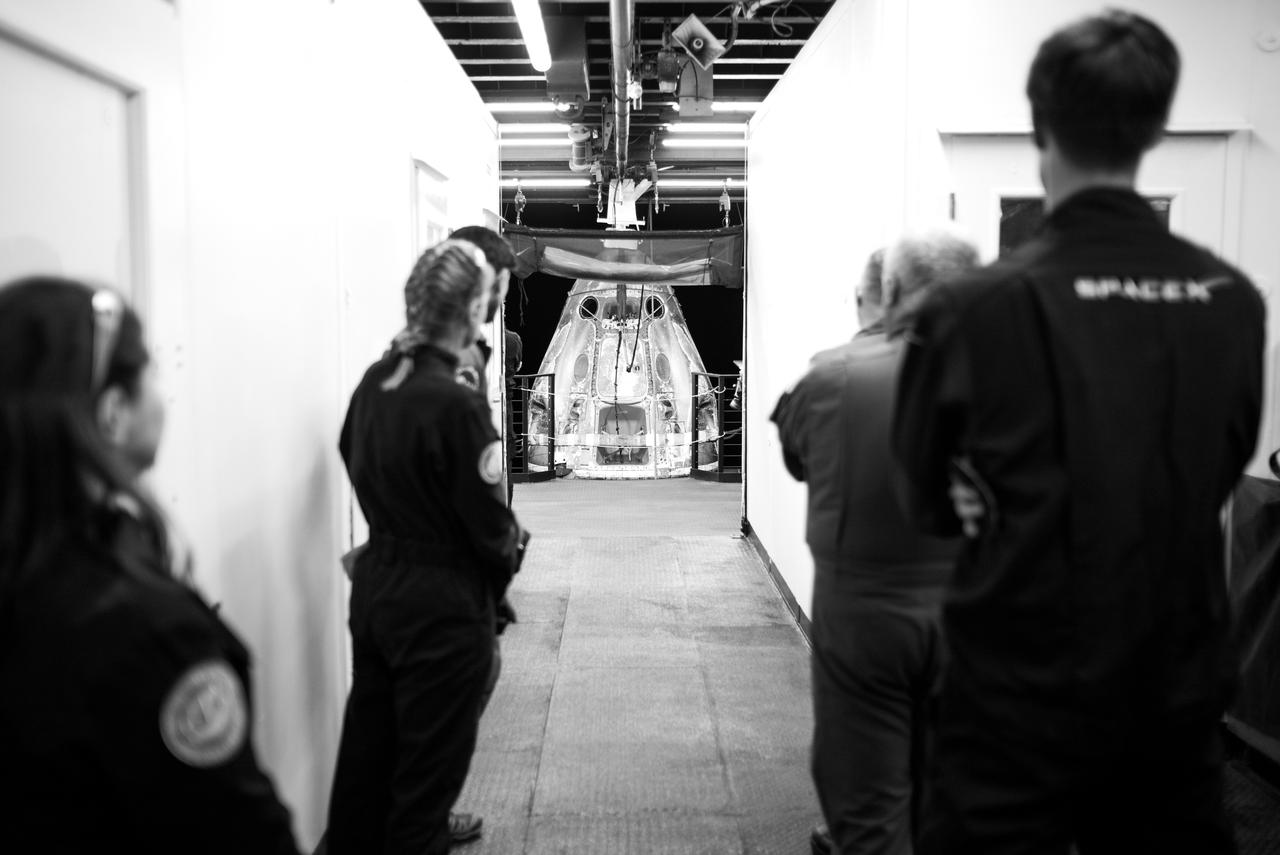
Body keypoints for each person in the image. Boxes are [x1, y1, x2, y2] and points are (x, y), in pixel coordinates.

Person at [892, 11, 1266, 854]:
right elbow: (1225, 462)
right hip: (1173, 693)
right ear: (1157, 126)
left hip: (1015, 694)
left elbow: (921, 496)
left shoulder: (969, 307)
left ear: (1038, 124)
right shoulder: (1233, 300)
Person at [0, 276, 299, 854]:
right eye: (154, 373)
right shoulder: (145, 630)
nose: (164, 393)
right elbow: (238, 832)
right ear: (111, 413)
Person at [772, 238, 974, 855]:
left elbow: (798, 459)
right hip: (980, 614)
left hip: (865, 614)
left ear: (884, 296)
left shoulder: (832, 376)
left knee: (865, 798)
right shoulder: (1021, 376)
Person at [326, 240, 529, 855]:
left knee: (365, 773)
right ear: (472, 310)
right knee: (424, 794)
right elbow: (490, 526)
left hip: (379, 586)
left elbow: (347, 452)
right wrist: (504, 564)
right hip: (441, 605)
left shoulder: (375, 382)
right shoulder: (457, 404)